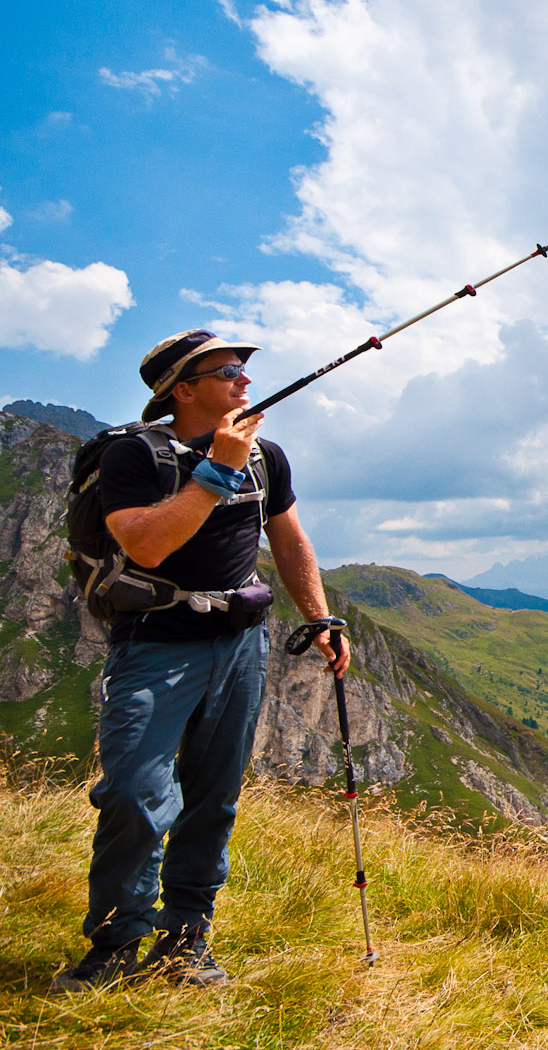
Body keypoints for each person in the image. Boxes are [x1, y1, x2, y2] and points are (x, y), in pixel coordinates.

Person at [52, 329, 350, 992]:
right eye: (227, 371)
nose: (245, 380)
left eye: (244, 368)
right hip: (154, 645)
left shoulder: (265, 457)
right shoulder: (134, 455)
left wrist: (319, 618)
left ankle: (186, 937)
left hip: (241, 645)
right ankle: (116, 943)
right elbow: (146, 545)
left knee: (213, 797)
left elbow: (289, 539)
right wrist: (216, 470)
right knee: (134, 793)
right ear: (182, 390)